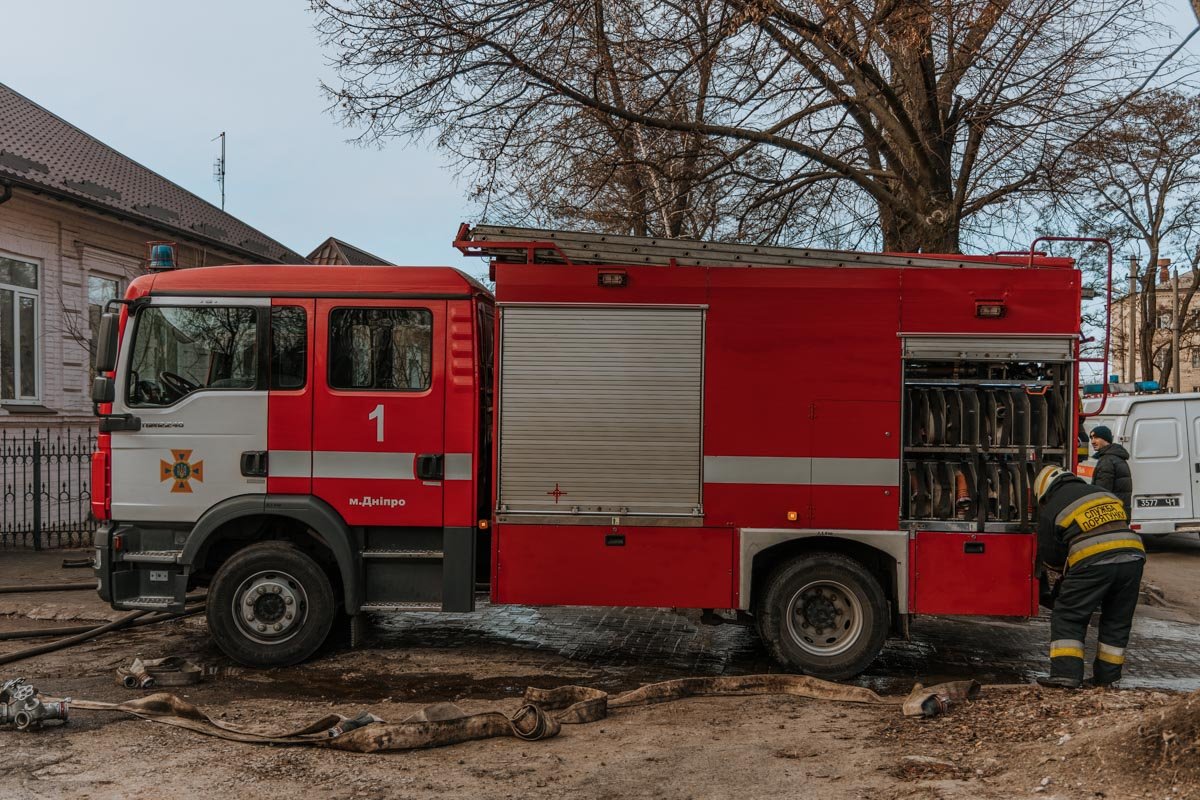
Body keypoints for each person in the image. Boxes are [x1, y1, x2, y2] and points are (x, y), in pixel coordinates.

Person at [1033, 464, 1145, 689]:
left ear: (1044, 492)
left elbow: (1052, 556)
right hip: (1133, 557)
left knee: (1069, 615)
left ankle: (1066, 674)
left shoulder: (1052, 507)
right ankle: (1107, 679)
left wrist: (1060, 581)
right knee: (1117, 620)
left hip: (1092, 559)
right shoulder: (1101, 493)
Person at [1090, 425, 1132, 517]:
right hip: (1120, 511)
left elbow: (1102, 492)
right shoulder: (1116, 457)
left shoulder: (1107, 460)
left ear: (1106, 439)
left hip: (1110, 515)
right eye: (1091, 438)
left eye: (1096, 438)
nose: (1093, 441)